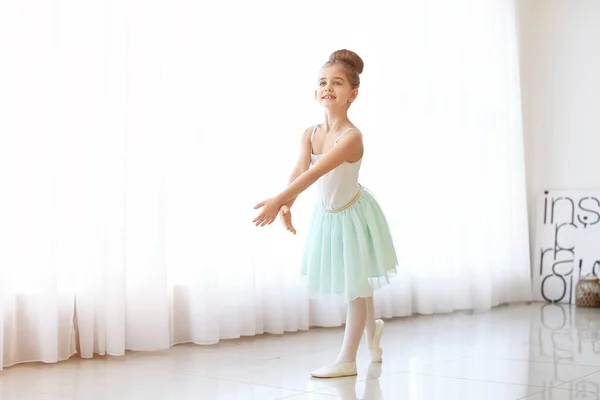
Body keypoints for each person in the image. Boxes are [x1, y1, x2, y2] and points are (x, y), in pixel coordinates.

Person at [252, 49, 398, 378]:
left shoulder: (351, 137)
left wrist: (277, 200)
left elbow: (314, 175)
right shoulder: (311, 133)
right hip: (328, 216)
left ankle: (347, 360)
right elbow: (300, 168)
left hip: (353, 216)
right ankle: (372, 334)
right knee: (358, 279)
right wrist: (287, 203)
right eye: (322, 82)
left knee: (356, 286)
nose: (328, 87)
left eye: (337, 82)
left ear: (353, 94)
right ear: (315, 92)